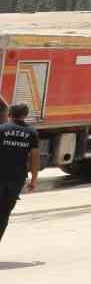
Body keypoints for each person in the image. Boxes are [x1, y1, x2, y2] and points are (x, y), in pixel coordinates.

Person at [1, 101, 40, 246]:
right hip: (16, 179)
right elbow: (35, 157)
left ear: (9, 114)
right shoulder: (32, 133)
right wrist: (34, 179)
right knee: (4, 214)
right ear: (25, 115)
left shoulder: (2, 129)